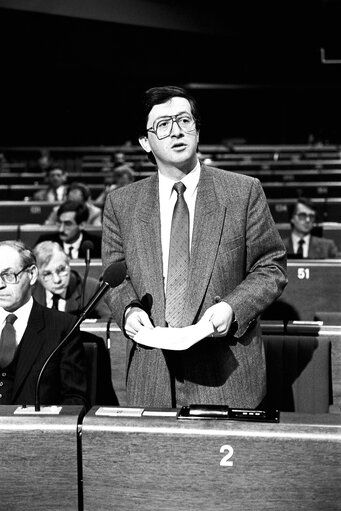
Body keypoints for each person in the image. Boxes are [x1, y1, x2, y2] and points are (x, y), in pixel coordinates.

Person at [102, 85, 287, 408]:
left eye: (184, 120)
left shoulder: (242, 192)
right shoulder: (122, 203)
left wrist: (232, 308)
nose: (176, 131)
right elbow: (115, 277)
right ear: (145, 141)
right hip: (153, 373)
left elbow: (270, 267)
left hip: (226, 372)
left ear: (197, 130)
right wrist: (128, 310)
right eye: (163, 124)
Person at [0, 240, 88, 406]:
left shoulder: (63, 327)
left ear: (32, 274)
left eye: (8, 275)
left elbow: (75, 400)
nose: (0, 285)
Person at [33, 241, 110, 319]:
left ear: (68, 264)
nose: (57, 280)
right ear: (37, 276)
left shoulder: (92, 289)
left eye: (61, 269)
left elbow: (111, 323)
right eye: (47, 274)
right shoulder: (29, 291)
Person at [35, 200, 102, 258]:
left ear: (82, 225)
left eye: (68, 224)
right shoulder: (45, 242)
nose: (61, 229)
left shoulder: (98, 245)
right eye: (59, 222)